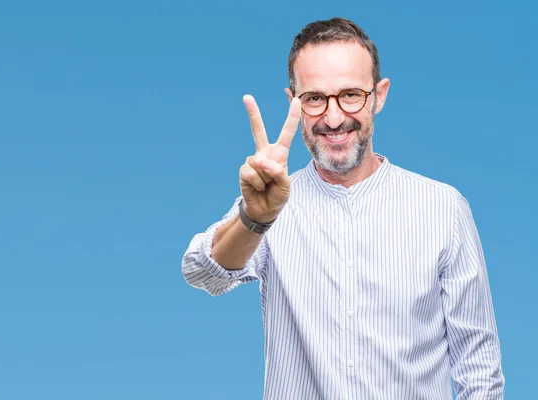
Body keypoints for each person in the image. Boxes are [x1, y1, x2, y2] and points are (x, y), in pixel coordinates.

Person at [181, 17, 504, 399]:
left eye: (351, 94)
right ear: (293, 104)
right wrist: (255, 219)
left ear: (379, 95)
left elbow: (479, 369)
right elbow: (204, 273)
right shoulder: (271, 204)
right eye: (315, 98)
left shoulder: (444, 209)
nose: (334, 119)